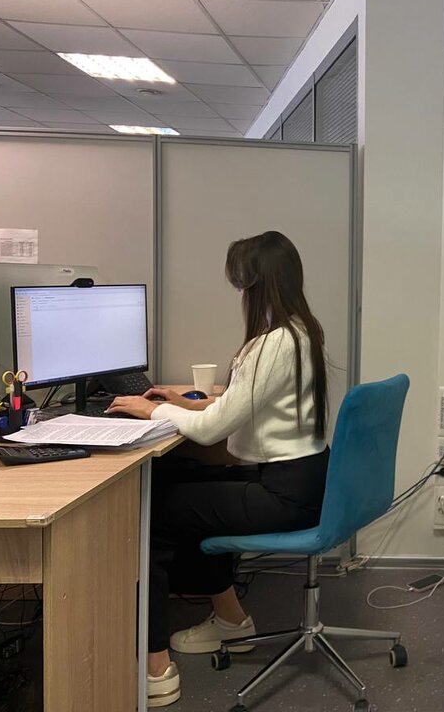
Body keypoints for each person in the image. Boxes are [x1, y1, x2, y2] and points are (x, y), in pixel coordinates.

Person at [108, 231, 330, 708]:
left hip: (284, 494)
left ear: (259, 286)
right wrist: (184, 401)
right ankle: (231, 621)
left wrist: (154, 410)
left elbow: (211, 431)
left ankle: (156, 667)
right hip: (300, 481)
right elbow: (242, 405)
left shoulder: (273, 343)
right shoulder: (301, 330)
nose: (239, 294)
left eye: (241, 284)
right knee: (177, 481)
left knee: (157, 513)